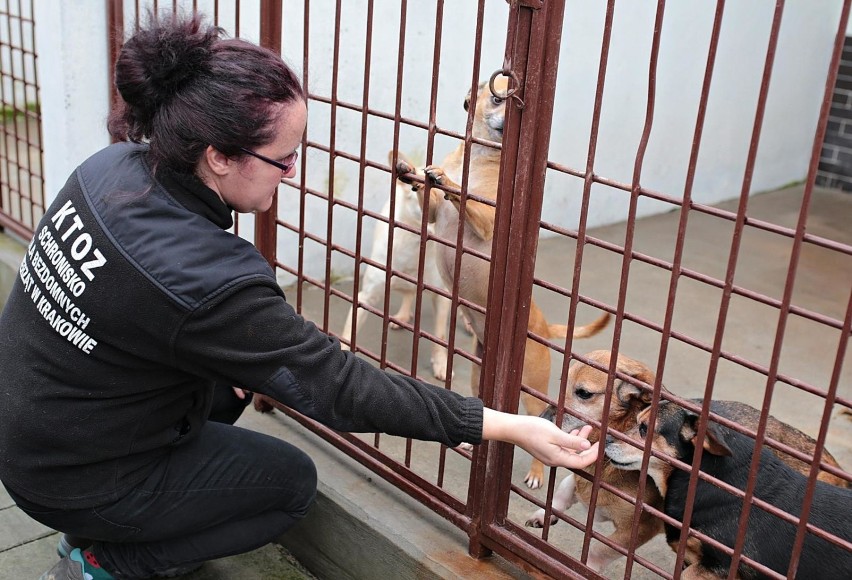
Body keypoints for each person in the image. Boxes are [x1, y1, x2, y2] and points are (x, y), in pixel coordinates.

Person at [0, 12, 598, 580]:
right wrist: (500, 424)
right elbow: (340, 386)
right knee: (288, 486)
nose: (293, 171)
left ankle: (112, 518)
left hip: (36, 430)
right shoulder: (205, 278)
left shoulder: (113, 167)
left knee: (243, 372)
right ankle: (103, 560)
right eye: (282, 158)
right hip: (70, 475)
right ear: (219, 155)